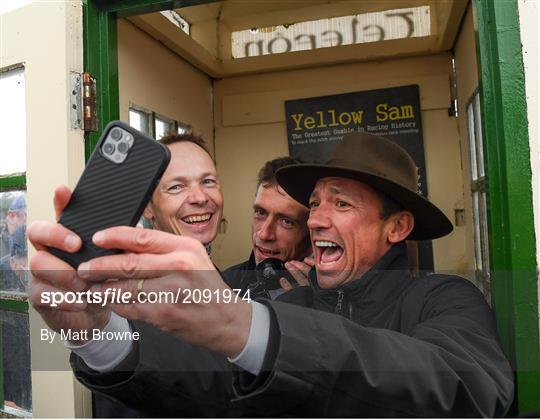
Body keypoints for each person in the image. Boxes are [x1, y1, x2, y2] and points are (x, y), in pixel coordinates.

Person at [28, 133, 513, 416]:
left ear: (398, 226)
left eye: (340, 203)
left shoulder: (445, 298)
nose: (316, 220)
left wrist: (247, 327)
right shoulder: (289, 304)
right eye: (316, 203)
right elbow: (205, 382)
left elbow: (465, 391)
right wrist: (97, 335)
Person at [28, 141, 312, 416]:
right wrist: (95, 337)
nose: (200, 196)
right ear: (148, 208)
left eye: (208, 181)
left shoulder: (226, 283)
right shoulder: (119, 286)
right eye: (176, 186)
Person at [222, 157, 312, 299]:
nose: (264, 234)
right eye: (260, 212)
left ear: (312, 231)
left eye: (286, 222)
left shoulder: (334, 295)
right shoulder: (225, 284)